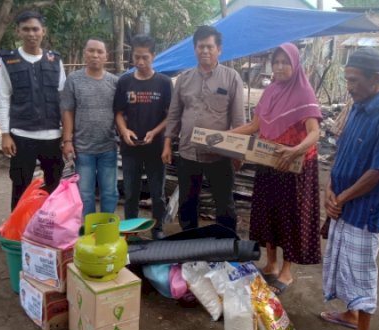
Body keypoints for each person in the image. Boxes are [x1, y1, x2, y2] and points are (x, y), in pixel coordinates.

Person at [321, 47, 379, 330]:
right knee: (343, 262)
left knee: (361, 272)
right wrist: (330, 188)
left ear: (377, 79)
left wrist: (341, 198)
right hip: (342, 205)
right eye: (347, 79)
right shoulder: (357, 106)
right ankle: (351, 314)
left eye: (354, 80)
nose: (349, 86)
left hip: (363, 211)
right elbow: (342, 153)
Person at [231, 43, 322, 294]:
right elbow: (254, 126)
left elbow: (315, 132)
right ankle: (270, 264)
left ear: (295, 64)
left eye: (285, 62)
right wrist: (225, 136)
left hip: (295, 166)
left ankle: (286, 271)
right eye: (276, 62)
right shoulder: (270, 91)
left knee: (289, 217)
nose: (280, 67)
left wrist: (296, 150)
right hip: (269, 161)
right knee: (267, 212)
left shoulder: (304, 93)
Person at [162, 25, 245, 232]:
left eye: (209, 47)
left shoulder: (231, 77)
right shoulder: (184, 79)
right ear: (195, 49)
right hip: (189, 152)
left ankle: (226, 246)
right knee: (187, 204)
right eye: (201, 47)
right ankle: (190, 244)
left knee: (224, 203)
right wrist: (166, 145)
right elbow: (174, 115)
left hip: (219, 155)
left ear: (219, 49)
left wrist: (239, 151)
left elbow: (238, 118)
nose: (205, 51)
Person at [0, 10, 65, 210]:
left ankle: (51, 227)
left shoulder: (55, 60)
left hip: (52, 135)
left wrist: (67, 135)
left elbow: (64, 99)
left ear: (43, 31)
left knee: (54, 185)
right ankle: (16, 232)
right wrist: (5, 134)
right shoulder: (8, 61)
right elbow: (3, 98)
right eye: (26, 29)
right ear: (18, 31)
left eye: (35, 29)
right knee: (20, 185)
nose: (31, 33)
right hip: (21, 134)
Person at [114, 35, 172, 239]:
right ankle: (131, 230)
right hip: (130, 148)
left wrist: (154, 132)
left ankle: (157, 228)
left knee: (158, 193)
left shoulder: (164, 83)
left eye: (145, 57)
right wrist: (124, 131)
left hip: (155, 148)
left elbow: (170, 116)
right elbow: (118, 113)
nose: (140, 62)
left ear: (153, 56)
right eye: (136, 57)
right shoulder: (124, 81)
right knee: (130, 193)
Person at [61, 38, 119, 217]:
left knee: (109, 193)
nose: (95, 55)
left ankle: (107, 228)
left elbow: (120, 114)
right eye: (91, 51)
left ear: (106, 56)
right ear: (85, 53)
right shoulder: (74, 80)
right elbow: (67, 110)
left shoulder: (115, 82)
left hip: (108, 147)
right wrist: (67, 140)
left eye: (100, 52)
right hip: (82, 148)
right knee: (85, 194)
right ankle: (90, 231)